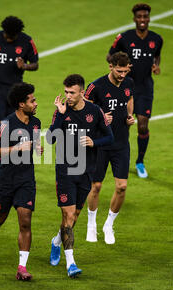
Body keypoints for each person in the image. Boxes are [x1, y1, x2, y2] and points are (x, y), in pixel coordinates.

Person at [46, 74, 114, 278]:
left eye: (72, 93)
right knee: (67, 216)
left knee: (74, 217)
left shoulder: (95, 111)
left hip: (85, 171)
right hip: (65, 170)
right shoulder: (61, 112)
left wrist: (94, 143)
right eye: (66, 92)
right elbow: (50, 139)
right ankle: (71, 264)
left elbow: (109, 136)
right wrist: (59, 114)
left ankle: (56, 242)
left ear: (82, 92)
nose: (67, 96)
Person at [0, 82, 42, 281]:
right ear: (21, 104)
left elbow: (34, 143)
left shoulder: (36, 122)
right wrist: (16, 149)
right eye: (32, 101)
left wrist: (37, 147)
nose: (36, 103)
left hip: (26, 179)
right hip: (5, 179)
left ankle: (22, 267)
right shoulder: (6, 124)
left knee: (25, 220)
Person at [107, 3, 163, 178]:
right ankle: (117, 158)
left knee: (143, 124)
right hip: (126, 87)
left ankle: (140, 161)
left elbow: (157, 55)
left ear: (149, 18)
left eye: (145, 16)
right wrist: (120, 65)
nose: (142, 20)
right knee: (123, 124)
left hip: (145, 87)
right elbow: (110, 55)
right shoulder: (124, 37)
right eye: (139, 17)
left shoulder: (157, 39)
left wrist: (156, 65)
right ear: (134, 19)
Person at [84, 52, 135, 244]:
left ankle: (108, 225)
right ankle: (91, 224)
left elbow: (129, 99)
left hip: (121, 143)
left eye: (125, 71)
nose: (122, 75)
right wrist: (100, 118)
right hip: (99, 144)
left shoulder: (129, 83)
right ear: (110, 67)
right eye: (119, 71)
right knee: (96, 186)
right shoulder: (96, 87)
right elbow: (84, 111)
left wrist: (130, 116)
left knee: (121, 187)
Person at [0, 16, 39, 134]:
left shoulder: (27, 41)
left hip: (16, 90)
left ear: (18, 33)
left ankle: (9, 150)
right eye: (6, 35)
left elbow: (35, 64)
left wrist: (24, 66)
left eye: (11, 37)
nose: (8, 39)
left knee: (12, 124)